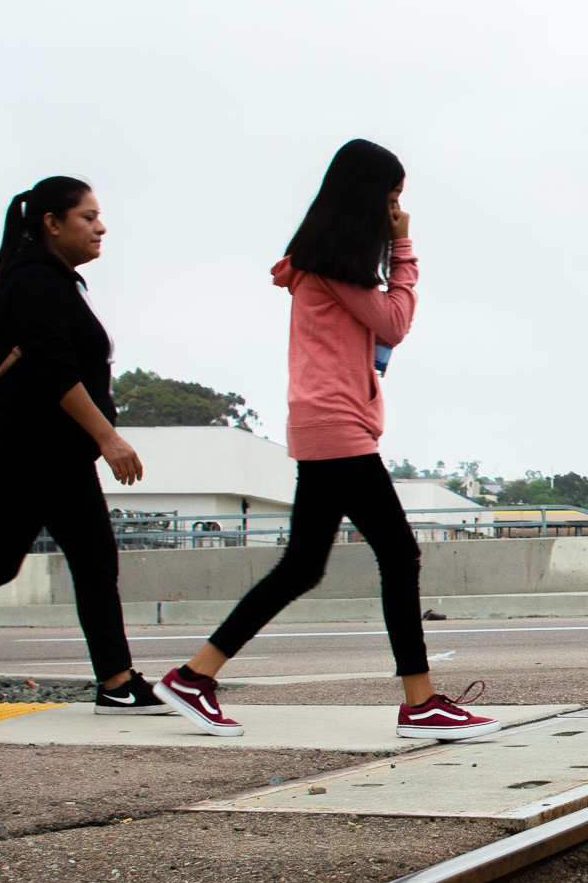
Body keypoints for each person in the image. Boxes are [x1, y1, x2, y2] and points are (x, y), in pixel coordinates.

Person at [153, 140, 500, 740]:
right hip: (337, 425)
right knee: (399, 554)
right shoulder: (334, 266)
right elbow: (395, 321)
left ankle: (193, 676)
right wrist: (405, 247)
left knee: (302, 567)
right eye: (392, 199)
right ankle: (420, 703)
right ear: (368, 199)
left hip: (324, 423)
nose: (397, 211)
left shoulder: (328, 262)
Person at [0, 178, 170, 717]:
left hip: (56, 454)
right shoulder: (35, 280)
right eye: (88, 217)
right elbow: (52, 366)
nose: (100, 227)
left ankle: (116, 681)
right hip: (23, 449)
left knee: (94, 559)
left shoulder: (58, 280)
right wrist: (108, 438)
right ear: (51, 222)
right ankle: (116, 679)